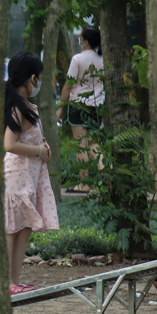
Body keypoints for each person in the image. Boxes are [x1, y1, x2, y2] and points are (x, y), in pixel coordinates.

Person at [3, 52, 59, 294]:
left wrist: (40, 146)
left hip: (29, 177)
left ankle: (14, 280)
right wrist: (38, 149)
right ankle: (5, 281)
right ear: (32, 78)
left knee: (24, 227)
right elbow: (9, 144)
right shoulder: (18, 108)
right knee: (12, 229)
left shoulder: (26, 106)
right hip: (17, 177)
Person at [61, 27, 105, 193]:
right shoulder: (102, 59)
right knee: (94, 143)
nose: (79, 39)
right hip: (96, 106)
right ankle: (106, 172)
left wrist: (60, 107)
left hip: (78, 105)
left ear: (86, 41)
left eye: (81, 37)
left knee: (82, 145)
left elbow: (68, 85)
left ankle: (84, 183)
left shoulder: (77, 59)